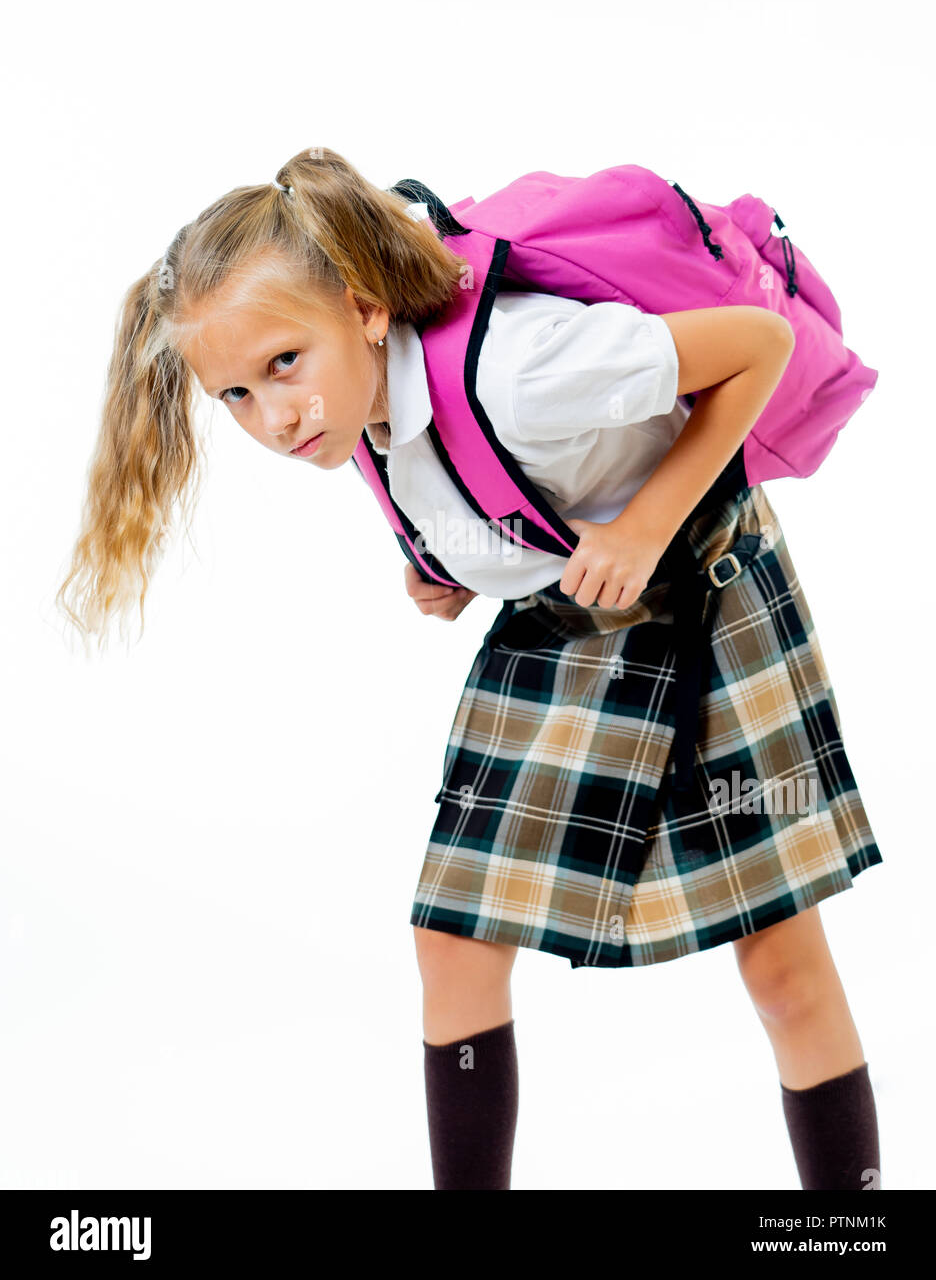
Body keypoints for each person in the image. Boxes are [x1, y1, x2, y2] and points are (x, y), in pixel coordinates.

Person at [56, 146, 883, 1192]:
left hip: (708, 599)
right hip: (566, 611)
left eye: (282, 365)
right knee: (452, 934)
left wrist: (643, 526)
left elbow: (756, 347)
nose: (274, 418)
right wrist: (443, 567)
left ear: (363, 311)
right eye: (233, 393)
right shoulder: (354, 410)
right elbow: (460, 481)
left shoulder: (526, 367)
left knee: (780, 961)